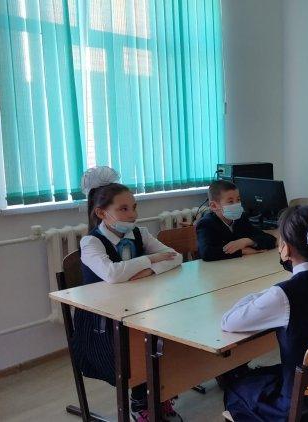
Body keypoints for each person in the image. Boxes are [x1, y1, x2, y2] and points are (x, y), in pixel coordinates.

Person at [221, 205, 308, 421]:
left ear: (286, 248)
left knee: (236, 388)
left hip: (301, 408)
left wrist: (264, 294)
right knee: (261, 375)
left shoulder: (283, 295)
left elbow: (229, 322)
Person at [75, 166, 183, 420]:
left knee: (168, 335)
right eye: (123, 209)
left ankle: (159, 394)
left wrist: (147, 271)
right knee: (139, 348)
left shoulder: (139, 233)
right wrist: (150, 259)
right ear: (101, 213)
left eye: (134, 207)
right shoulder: (90, 242)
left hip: (139, 307)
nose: (133, 214)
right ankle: (140, 403)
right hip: (102, 321)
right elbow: (112, 274)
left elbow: (175, 257)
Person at [197, 179, 276, 261]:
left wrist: (247, 241)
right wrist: (242, 251)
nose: (237, 204)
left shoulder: (241, 218)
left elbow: (271, 240)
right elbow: (206, 253)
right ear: (214, 206)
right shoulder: (206, 224)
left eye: (238, 200)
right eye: (230, 201)